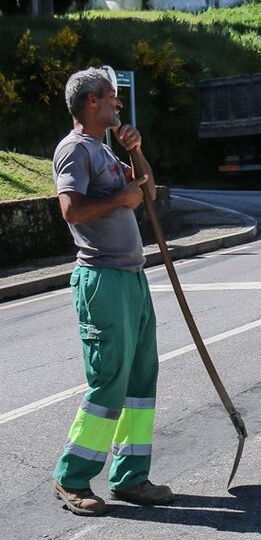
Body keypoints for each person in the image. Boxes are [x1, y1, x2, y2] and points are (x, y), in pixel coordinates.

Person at [51, 67, 175, 516]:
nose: (117, 104)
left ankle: (131, 477)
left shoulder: (104, 150)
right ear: (90, 102)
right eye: (110, 97)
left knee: (141, 381)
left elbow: (147, 192)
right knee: (109, 382)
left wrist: (135, 152)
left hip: (132, 277)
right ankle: (72, 477)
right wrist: (119, 200)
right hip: (101, 280)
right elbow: (71, 210)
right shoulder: (74, 150)